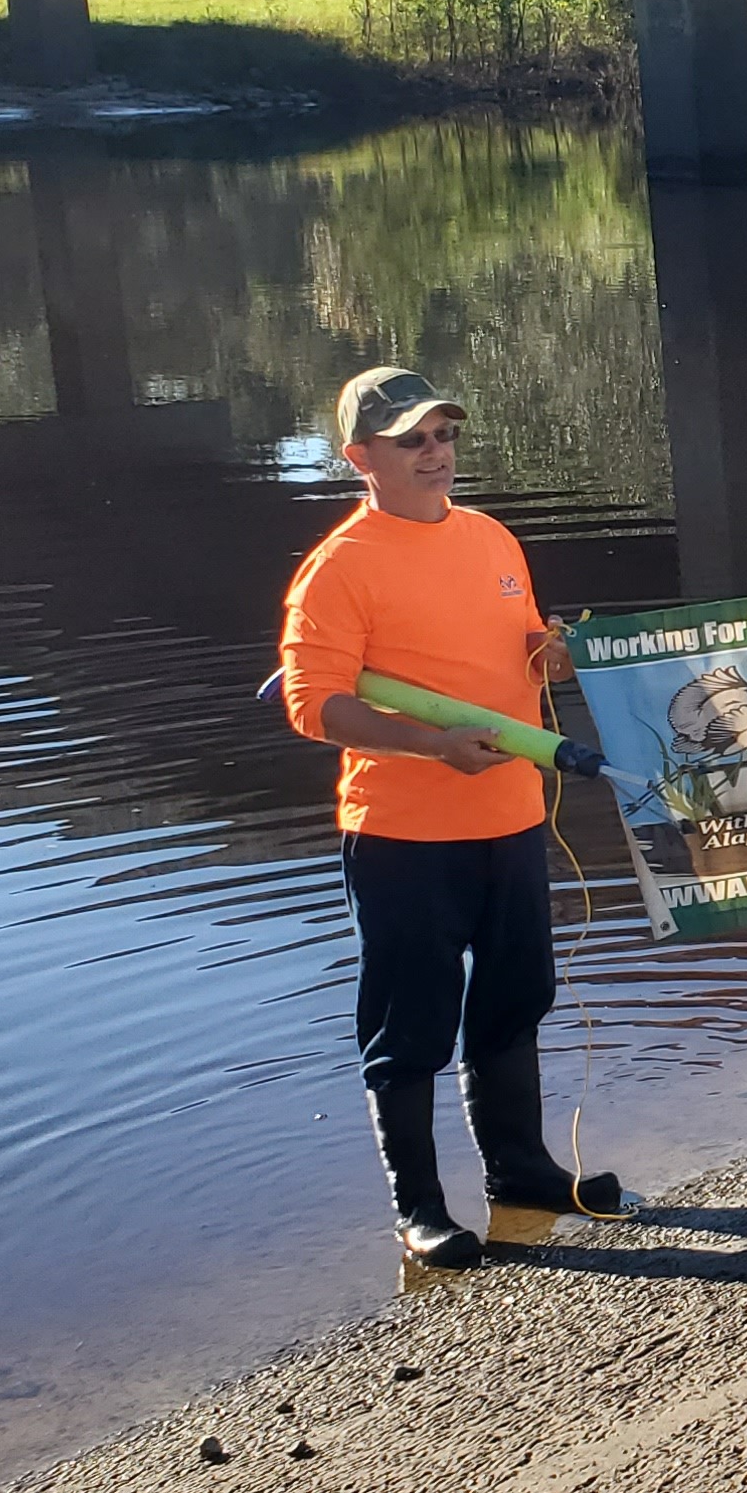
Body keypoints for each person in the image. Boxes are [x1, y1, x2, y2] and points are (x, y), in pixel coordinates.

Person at [278, 367, 630, 1272]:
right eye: (412, 441)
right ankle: (420, 1209)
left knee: (517, 1001)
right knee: (411, 1025)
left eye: (443, 436)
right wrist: (431, 747)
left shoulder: (490, 536)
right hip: (402, 836)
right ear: (362, 458)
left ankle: (521, 1174)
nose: (436, 454)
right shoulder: (337, 569)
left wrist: (547, 657)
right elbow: (314, 707)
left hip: (511, 819)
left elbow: (520, 647)